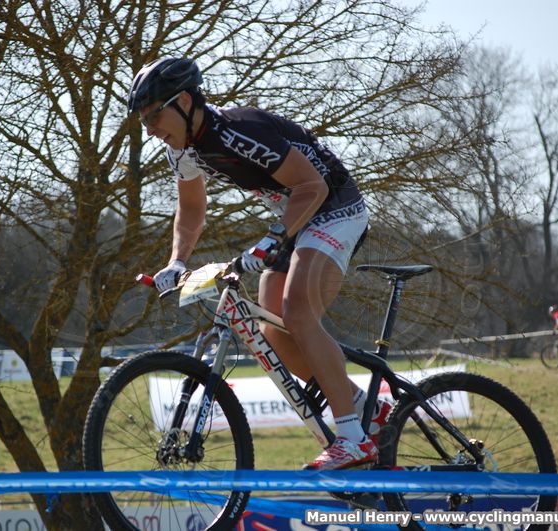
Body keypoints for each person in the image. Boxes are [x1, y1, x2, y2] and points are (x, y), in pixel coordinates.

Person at [131, 57, 391, 470]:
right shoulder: (182, 151)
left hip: (333, 205)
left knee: (298, 312)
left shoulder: (237, 131)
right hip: (295, 216)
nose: (148, 129)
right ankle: (366, 407)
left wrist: (271, 240)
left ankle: (353, 437)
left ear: (184, 102)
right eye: (143, 120)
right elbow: (192, 210)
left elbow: (313, 186)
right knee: (273, 331)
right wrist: (177, 261)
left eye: (153, 116)